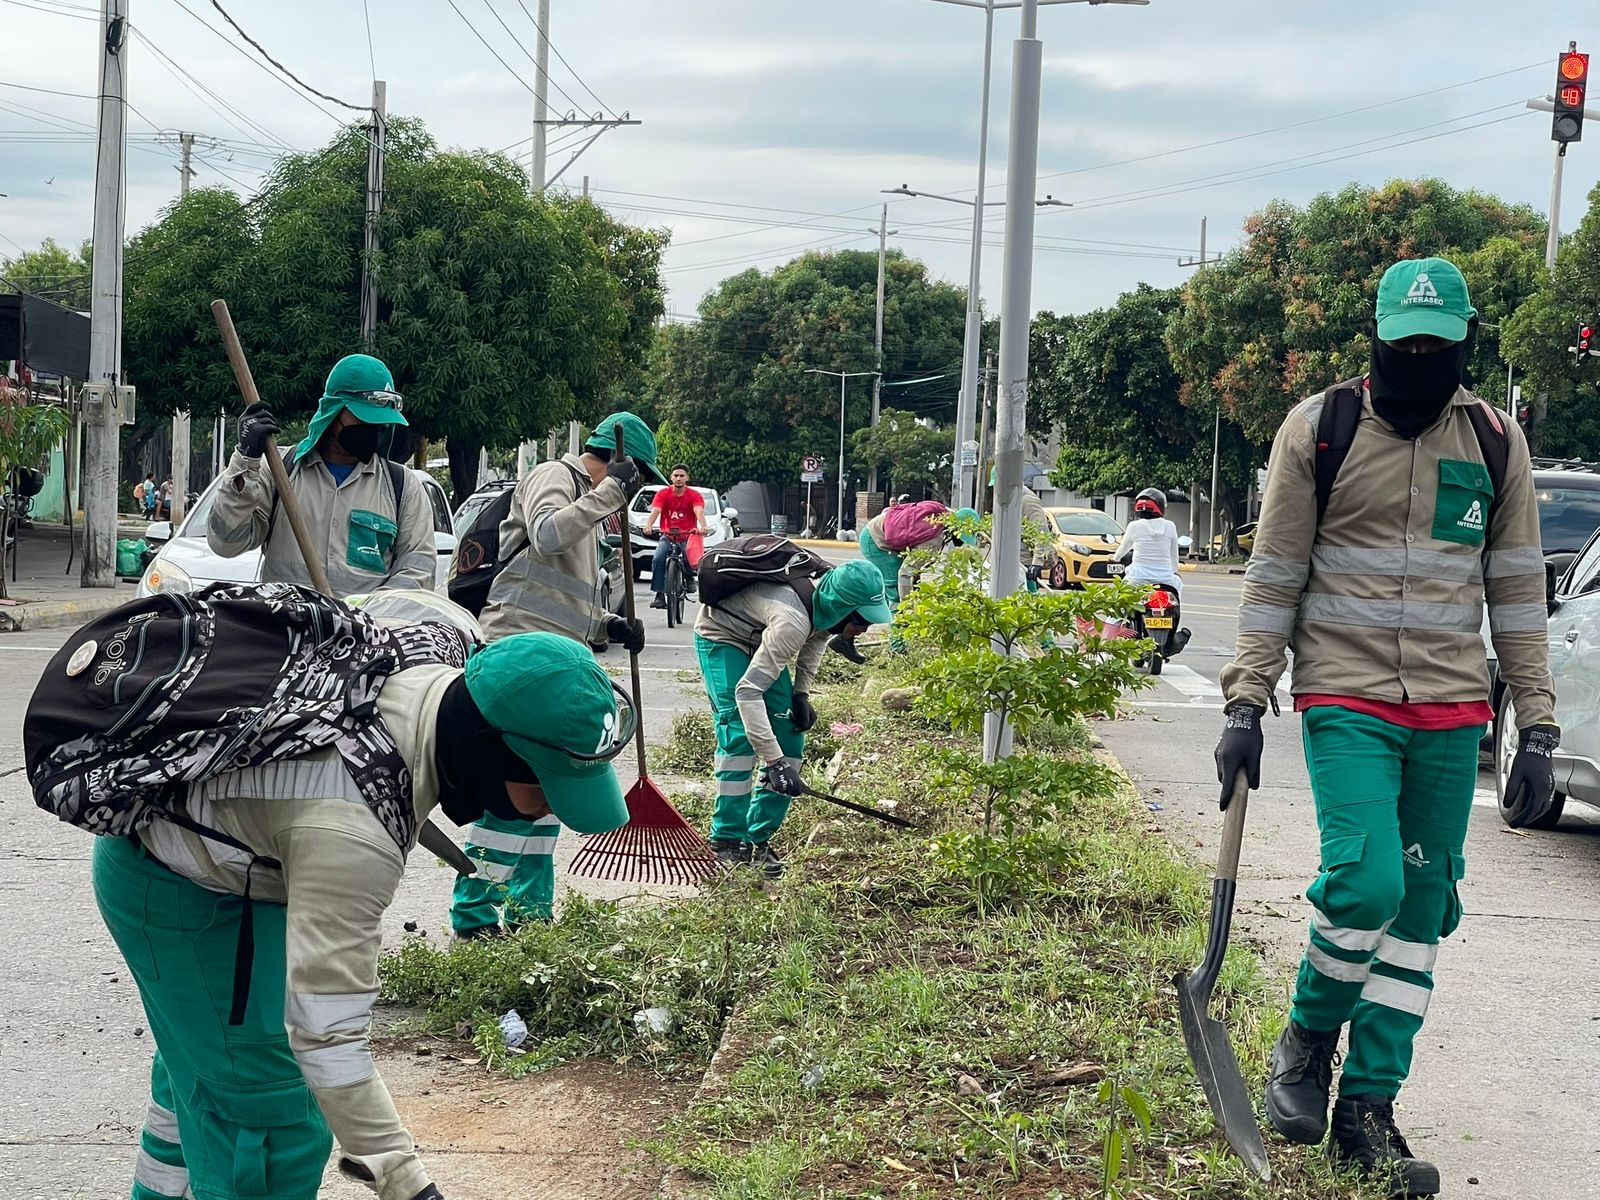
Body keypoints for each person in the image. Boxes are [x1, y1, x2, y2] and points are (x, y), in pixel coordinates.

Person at [1214, 257, 1554, 1198]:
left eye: (1435, 347)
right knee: (1364, 884)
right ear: (1374, 336)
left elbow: (1517, 592)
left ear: (1463, 346)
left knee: (1422, 911)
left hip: (1453, 710)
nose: (1417, 358)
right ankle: (1308, 1034)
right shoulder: (1319, 428)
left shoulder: (1494, 441)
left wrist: (1538, 725)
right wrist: (1246, 698)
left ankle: (1368, 1107)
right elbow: (1276, 570)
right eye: (1402, 342)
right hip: (1348, 697)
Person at [93, 623, 631, 1200]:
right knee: (269, 1115)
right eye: (544, 787)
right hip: (180, 887)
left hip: (239, 857)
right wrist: (405, 1182)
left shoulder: (434, 658)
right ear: (482, 750)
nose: (546, 808)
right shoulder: (353, 834)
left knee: (207, 1070)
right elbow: (328, 1034)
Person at [450, 413, 658, 939]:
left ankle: (530, 915)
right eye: (638, 481)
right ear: (618, 463)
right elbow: (544, 537)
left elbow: (568, 597)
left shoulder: (591, 510)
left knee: (547, 800)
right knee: (515, 796)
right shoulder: (553, 476)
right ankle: (475, 918)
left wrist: (611, 624)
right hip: (518, 657)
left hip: (558, 662)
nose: (635, 493)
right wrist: (609, 494)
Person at [695, 559, 892, 877]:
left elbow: (817, 637)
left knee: (789, 735)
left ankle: (757, 838)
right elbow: (748, 693)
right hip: (723, 636)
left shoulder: (824, 606)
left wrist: (801, 694)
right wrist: (773, 763)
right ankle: (726, 840)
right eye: (861, 620)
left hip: (761, 635)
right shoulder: (793, 621)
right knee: (739, 735)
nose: (865, 628)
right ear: (842, 609)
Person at [207, 353, 436, 595]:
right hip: (285, 627)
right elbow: (225, 543)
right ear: (333, 411)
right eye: (364, 418)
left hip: (364, 630)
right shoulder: (280, 471)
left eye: (380, 422)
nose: (374, 429)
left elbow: (417, 571)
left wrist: (367, 614)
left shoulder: (403, 488)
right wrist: (246, 459)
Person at [643, 463, 709, 609]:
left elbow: (698, 511)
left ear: (687, 478)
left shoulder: (694, 495)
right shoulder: (663, 494)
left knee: (688, 557)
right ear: (671, 478)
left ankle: (689, 577)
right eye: (676, 476)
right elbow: (656, 510)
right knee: (658, 558)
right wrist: (648, 525)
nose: (678, 478)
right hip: (667, 535)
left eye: (681, 476)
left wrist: (703, 526)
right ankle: (659, 595)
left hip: (687, 535)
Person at [1112, 488, 1183, 594]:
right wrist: (1172, 571)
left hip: (1137, 578)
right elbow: (1174, 555)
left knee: (1122, 597)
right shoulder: (1170, 526)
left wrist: (1115, 559)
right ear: (1161, 506)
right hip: (1165, 579)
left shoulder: (1134, 526)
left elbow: (1124, 548)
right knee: (1177, 584)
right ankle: (1175, 611)